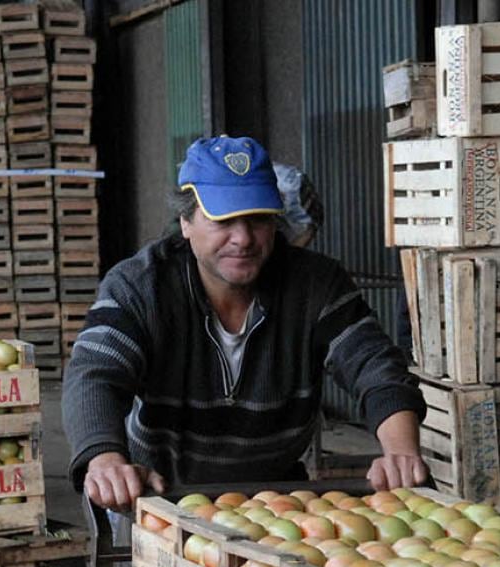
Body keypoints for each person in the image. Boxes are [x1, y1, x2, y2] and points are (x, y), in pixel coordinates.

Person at [62, 134, 428, 510]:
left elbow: (373, 365)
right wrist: (105, 459)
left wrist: (400, 452)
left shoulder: (316, 286)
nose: (243, 238)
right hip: (161, 496)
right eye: (223, 219)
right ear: (186, 222)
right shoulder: (142, 287)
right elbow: (95, 374)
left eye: (258, 219)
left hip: (278, 500)